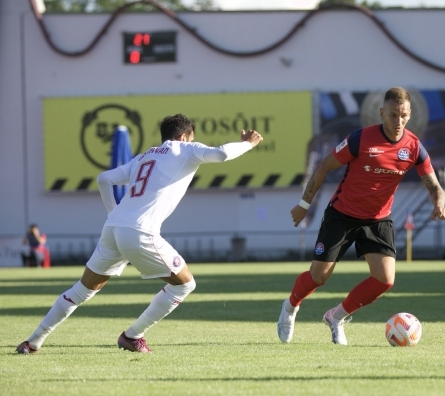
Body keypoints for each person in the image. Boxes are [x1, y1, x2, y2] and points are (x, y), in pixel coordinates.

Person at [16, 114, 263, 354]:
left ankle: (33, 341)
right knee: (185, 285)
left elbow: (104, 179)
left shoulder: (144, 157)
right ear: (183, 136)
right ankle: (132, 335)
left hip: (113, 229)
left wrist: (113, 213)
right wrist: (247, 144)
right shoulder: (184, 149)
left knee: (82, 290)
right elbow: (221, 153)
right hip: (139, 231)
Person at [277, 87, 445, 346]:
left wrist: (439, 204)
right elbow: (324, 166)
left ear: (409, 114)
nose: (398, 121)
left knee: (385, 280)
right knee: (319, 276)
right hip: (342, 215)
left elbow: (435, 186)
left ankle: (336, 317)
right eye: (393, 115)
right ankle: (290, 307)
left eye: (403, 116)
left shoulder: (414, 147)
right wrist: (304, 204)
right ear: (382, 113)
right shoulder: (361, 139)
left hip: (378, 219)